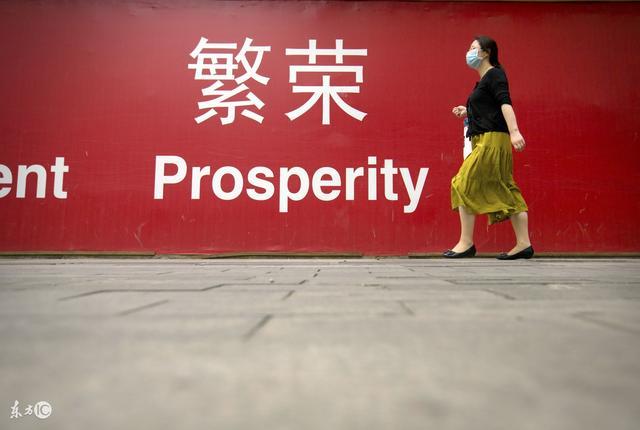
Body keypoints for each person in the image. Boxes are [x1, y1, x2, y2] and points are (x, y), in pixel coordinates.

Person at [444, 36, 533, 260]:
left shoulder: (495, 74)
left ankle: (466, 243)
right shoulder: (484, 80)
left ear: (486, 52)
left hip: (491, 141)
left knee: (462, 183)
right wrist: (467, 111)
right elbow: (489, 108)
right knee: (505, 187)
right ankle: (524, 244)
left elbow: (505, 103)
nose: (468, 52)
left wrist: (515, 131)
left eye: (473, 48)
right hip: (487, 139)